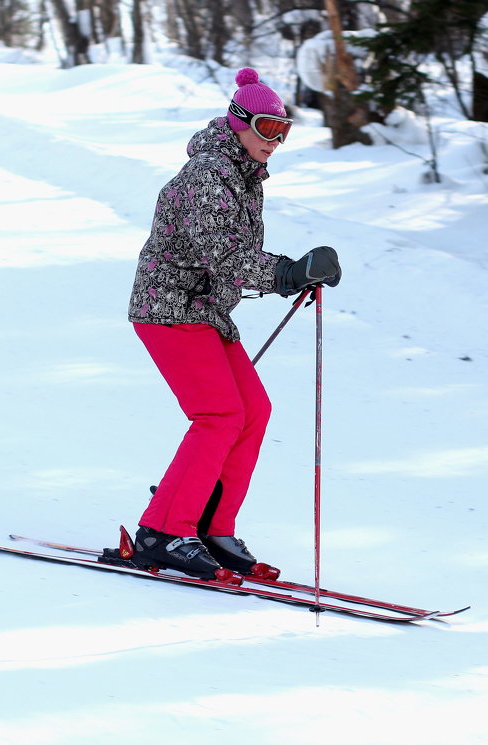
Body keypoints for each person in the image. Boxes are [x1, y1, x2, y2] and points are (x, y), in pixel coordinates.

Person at [126, 68, 342, 579]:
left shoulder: (242, 175)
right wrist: (286, 273)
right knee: (219, 414)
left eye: (283, 131)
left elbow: (234, 253)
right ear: (239, 122)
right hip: (168, 308)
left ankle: (210, 528)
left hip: (207, 312)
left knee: (253, 411)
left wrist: (293, 273)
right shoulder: (207, 173)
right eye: (267, 129)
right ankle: (163, 532)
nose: (276, 141)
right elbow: (221, 254)